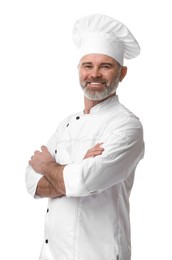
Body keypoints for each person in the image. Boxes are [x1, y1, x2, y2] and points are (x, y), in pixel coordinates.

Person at [25, 14, 144, 260]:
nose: (95, 74)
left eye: (106, 66)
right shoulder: (66, 123)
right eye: (88, 65)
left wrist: (48, 166)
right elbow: (31, 182)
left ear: (122, 73)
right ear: (79, 70)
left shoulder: (127, 126)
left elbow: (79, 182)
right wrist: (75, 170)